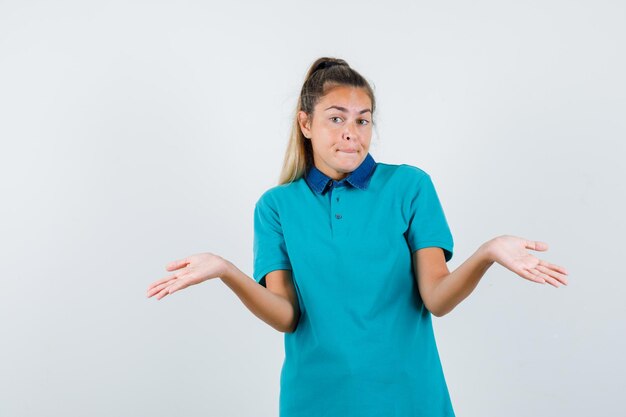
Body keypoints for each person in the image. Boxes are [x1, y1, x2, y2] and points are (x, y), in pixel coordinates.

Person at [146, 57, 569, 417]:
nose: (352, 132)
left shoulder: (409, 187)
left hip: (409, 398)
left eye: (362, 119)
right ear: (306, 124)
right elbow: (286, 315)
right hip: (314, 400)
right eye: (336, 118)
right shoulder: (275, 207)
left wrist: (487, 252)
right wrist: (225, 270)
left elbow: (437, 298)